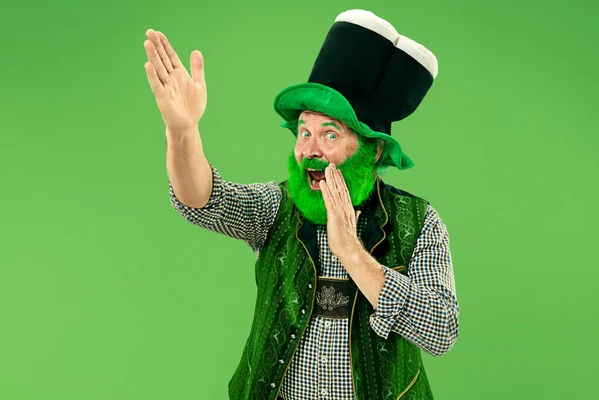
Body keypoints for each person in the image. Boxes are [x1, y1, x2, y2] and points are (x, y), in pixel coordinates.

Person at [143, 9, 459, 400]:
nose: (309, 150)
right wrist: (183, 130)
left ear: (373, 150)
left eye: (329, 135)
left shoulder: (419, 221)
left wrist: (352, 252)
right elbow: (202, 200)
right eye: (304, 131)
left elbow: (442, 329)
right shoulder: (277, 206)